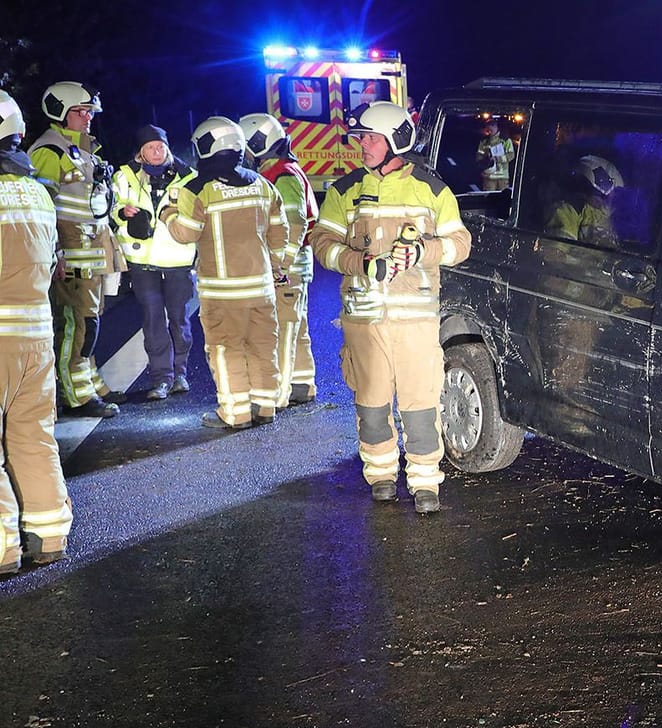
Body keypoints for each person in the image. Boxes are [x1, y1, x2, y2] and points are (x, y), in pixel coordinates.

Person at [312, 101, 471, 514]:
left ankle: (424, 482)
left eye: (370, 138)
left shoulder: (431, 189)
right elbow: (322, 245)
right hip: (363, 319)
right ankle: (381, 475)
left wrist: (422, 251)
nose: (361, 145)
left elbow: (460, 244)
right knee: (372, 401)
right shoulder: (344, 190)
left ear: (395, 140)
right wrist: (359, 262)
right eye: (361, 138)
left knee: (420, 402)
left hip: (415, 318)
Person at [160, 117, 288, 429]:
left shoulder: (197, 189)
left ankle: (235, 413)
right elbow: (279, 233)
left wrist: (168, 214)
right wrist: (274, 267)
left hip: (222, 292)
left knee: (226, 349)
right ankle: (265, 406)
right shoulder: (263, 185)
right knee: (262, 347)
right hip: (261, 288)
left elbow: (186, 233)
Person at [0, 89, 72, 572]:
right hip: (35, 335)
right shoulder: (37, 191)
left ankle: (3, 545)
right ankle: (49, 534)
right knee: (33, 434)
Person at [28, 81, 126, 417]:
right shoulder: (48, 151)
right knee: (76, 323)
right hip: (69, 255)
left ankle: (88, 380)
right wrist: (53, 253)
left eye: (89, 112)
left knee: (91, 322)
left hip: (92, 251)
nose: (87, 118)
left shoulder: (84, 149)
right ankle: (77, 395)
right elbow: (41, 209)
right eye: (80, 112)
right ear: (59, 112)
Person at [111, 125, 197, 400]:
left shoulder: (188, 177)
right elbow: (109, 210)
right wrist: (123, 213)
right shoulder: (124, 176)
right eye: (150, 147)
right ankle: (161, 378)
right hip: (142, 260)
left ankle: (180, 373)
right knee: (153, 319)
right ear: (140, 153)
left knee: (179, 319)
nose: (157, 151)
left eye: (161, 146)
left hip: (177, 259)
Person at [240, 112, 319, 407]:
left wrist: (280, 265)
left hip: (289, 266)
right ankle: (301, 382)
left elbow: (295, 223)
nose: (243, 154)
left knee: (282, 330)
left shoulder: (282, 176)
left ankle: (275, 393)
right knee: (296, 327)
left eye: (246, 147)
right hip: (296, 264)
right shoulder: (284, 170)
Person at [546, 154, 621, 247]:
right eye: (608, 196)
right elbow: (555, 254)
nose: (608, 201)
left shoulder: (604, 216)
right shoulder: (568, 209)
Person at [475, 117, 515, 191]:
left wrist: (498, 158)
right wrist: (485, 160)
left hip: (502, 177)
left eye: (491, 130)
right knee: (489, 199)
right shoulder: (484, 141)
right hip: (488, 177)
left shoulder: (505, 140)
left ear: (496, 127)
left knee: (502, 199)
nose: (489, 132)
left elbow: (511, 155)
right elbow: (479, 156)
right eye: (488, 130)